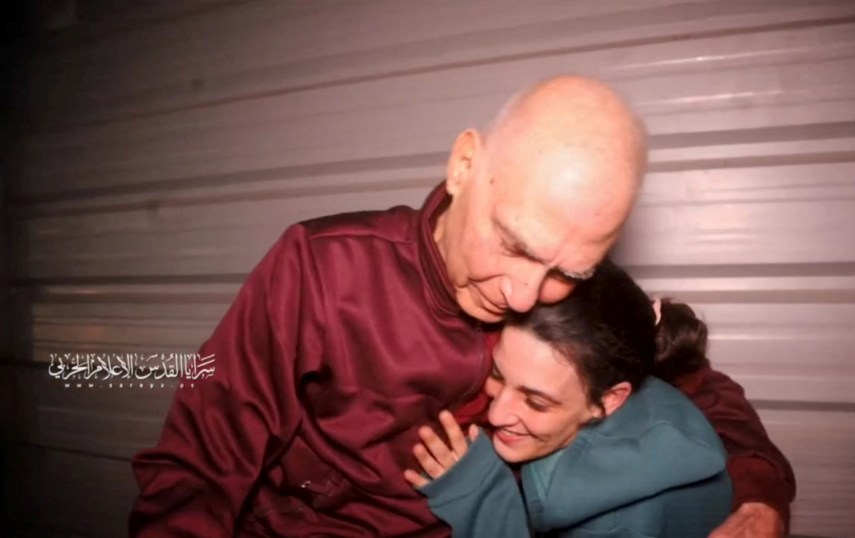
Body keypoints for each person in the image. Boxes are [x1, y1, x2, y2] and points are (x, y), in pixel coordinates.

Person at [129, 76, 794, 537]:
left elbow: (689, 377)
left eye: (567, 271)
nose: (524, 295)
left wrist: (759, 493)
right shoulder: (320, 267)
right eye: (511, 244)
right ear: (464, 164)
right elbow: (201, 456)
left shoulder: (565, 266)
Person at [405, 260, 733, 537]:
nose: (497, 414)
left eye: (535, 401)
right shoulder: (628, 374)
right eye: (498, 374)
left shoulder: (616, 526)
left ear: (607, 401)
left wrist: (480, 498)